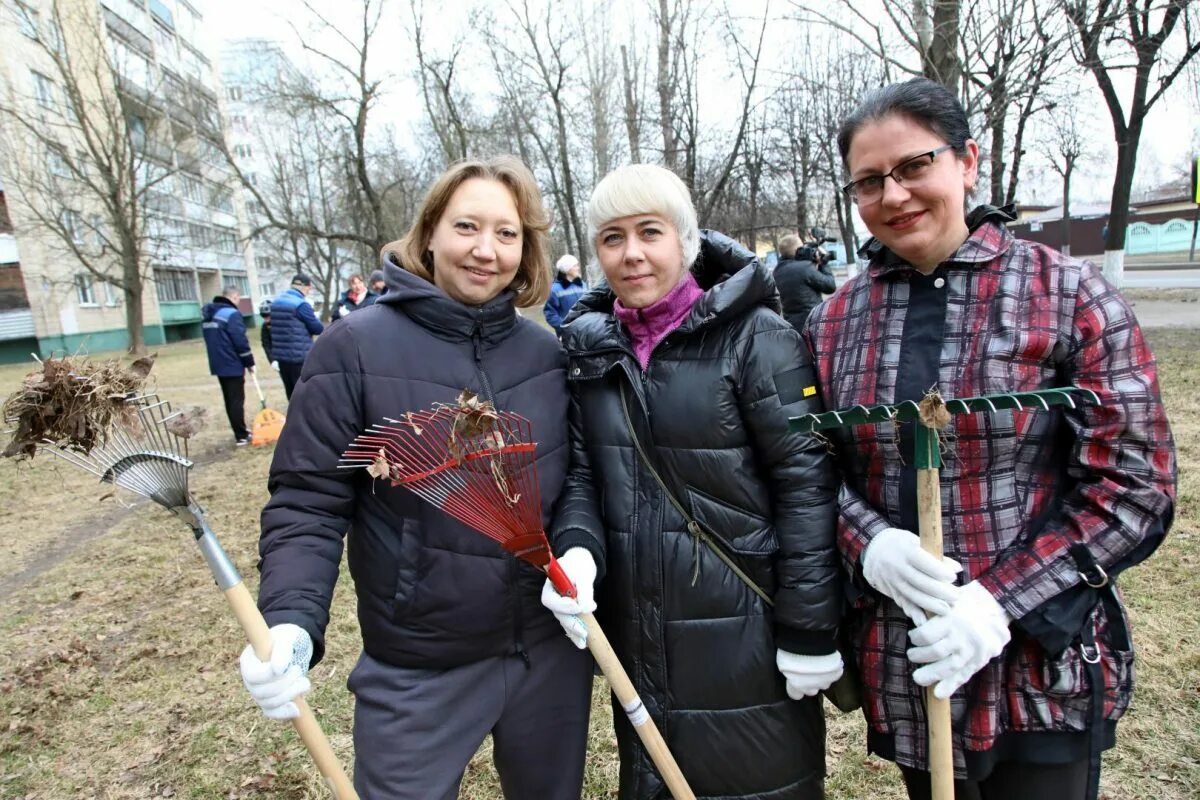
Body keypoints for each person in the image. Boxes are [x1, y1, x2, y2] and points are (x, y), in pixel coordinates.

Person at [803, 77, 1176, 800]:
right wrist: (867, 544)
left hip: (1040, 667)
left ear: (967, 161)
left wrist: (998, 603)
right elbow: (812, 469)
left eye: (915, 166)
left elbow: (1136, 487)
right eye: (870, 181)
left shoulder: (1068, 295)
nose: (896, 195)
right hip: (913, 665)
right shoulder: (831, 321)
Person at [239, 156, 593, 800]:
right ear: (428, 233)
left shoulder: (546, 352)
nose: (486, 250)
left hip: (547, 655)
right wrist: (291, 619)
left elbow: (573, 480)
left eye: (507, 233)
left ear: (528, 246)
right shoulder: (352, 350)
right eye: (466, 227)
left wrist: (577, 551)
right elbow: (309, 503)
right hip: (419, 663)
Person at [541, 163, 842, 799]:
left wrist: (810, 628)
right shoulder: (590, 349)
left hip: (745, 624)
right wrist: (578, 550)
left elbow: (806, 484)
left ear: (686, 240)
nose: (633, 254)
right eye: (612, 238)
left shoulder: (758, 338)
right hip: (638, 624)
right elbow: (582, 477)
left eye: (650, 232)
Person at [201, 285, 255, 445]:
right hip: (232, 364)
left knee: (229, 400)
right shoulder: (232, 314)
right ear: (234, 297)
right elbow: (240, 341)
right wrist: (249, 362)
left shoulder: (209, 314)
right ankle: (242, 435)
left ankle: (240, 431)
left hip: (218, 364)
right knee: (237, 400)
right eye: (238, 299)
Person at [269, 274, 324, 400]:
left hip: (282, 357)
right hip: (300, 357)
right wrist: (315, 315)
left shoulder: (276, 303)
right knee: (304, 394)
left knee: (291, 394)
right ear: (305, 287)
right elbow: (317, 328)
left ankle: (294, 418)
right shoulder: (301, 305)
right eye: (309, 289)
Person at [773, 232, 836, 330]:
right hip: (813, 323)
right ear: (798, 251)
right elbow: (830, 286)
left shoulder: (777, 271)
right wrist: (824, 263)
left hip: (791, 325)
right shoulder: (805, 268)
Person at [541, 253, 586, 336]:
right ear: (567, 269)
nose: (578, 268)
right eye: (575, 266)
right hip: (568, 335)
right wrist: (564, 328)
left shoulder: (583, 285)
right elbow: (550, 313)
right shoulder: (555, 289)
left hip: (586, 330)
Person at [258, 299, 275, 369]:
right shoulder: (265, 327)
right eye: (264, 317)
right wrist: (272, 360)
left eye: (268, 316)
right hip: (276, 356)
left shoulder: (281, 323)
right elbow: (266, 344)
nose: (266, 319)